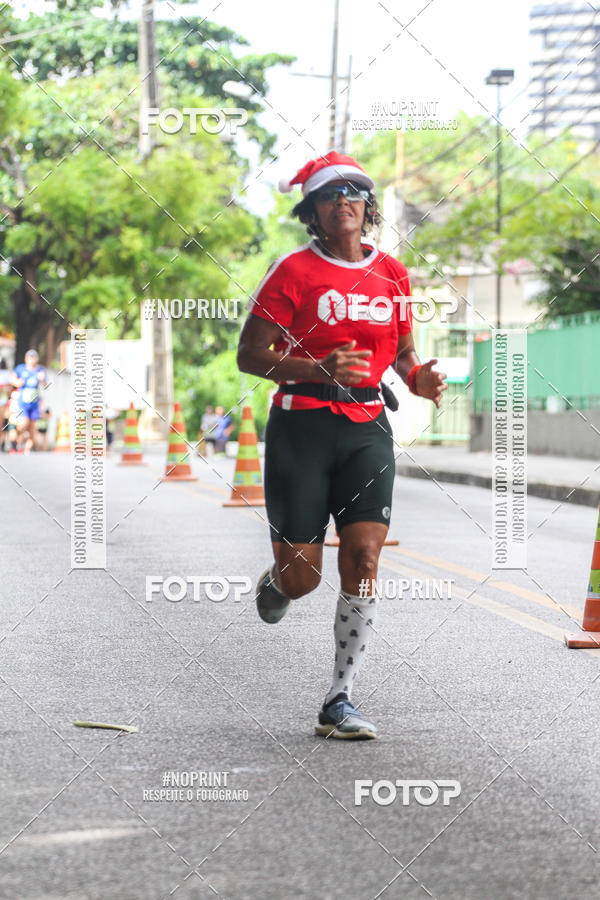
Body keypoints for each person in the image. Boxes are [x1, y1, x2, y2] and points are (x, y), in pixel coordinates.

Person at [237, 151, 447, 740]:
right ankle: (279, 582)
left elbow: (403, 353)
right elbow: (249, 355)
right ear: (313, 211)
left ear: (367, 206)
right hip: (301, 429)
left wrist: (418, 378)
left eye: (354, 192)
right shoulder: (292, 271)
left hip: (366, 429)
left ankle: (339, 697)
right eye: (330, 194)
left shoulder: (393, 273)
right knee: (303, 578)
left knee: (364, 557)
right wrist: (318, 368)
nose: (344, 201)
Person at [11, 349, 47, 454]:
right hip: (23, 403)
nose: (32, 359)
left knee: (32, 427)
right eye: (30, 357)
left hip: (34, 403)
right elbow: (12, 379)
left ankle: (27, 449)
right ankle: (18, 437)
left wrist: (42, 380)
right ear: (26, 358)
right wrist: (18, 382)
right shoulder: (20, 368)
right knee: (23, 423)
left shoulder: (40, 370)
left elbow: (46, 386)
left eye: (34, 357)